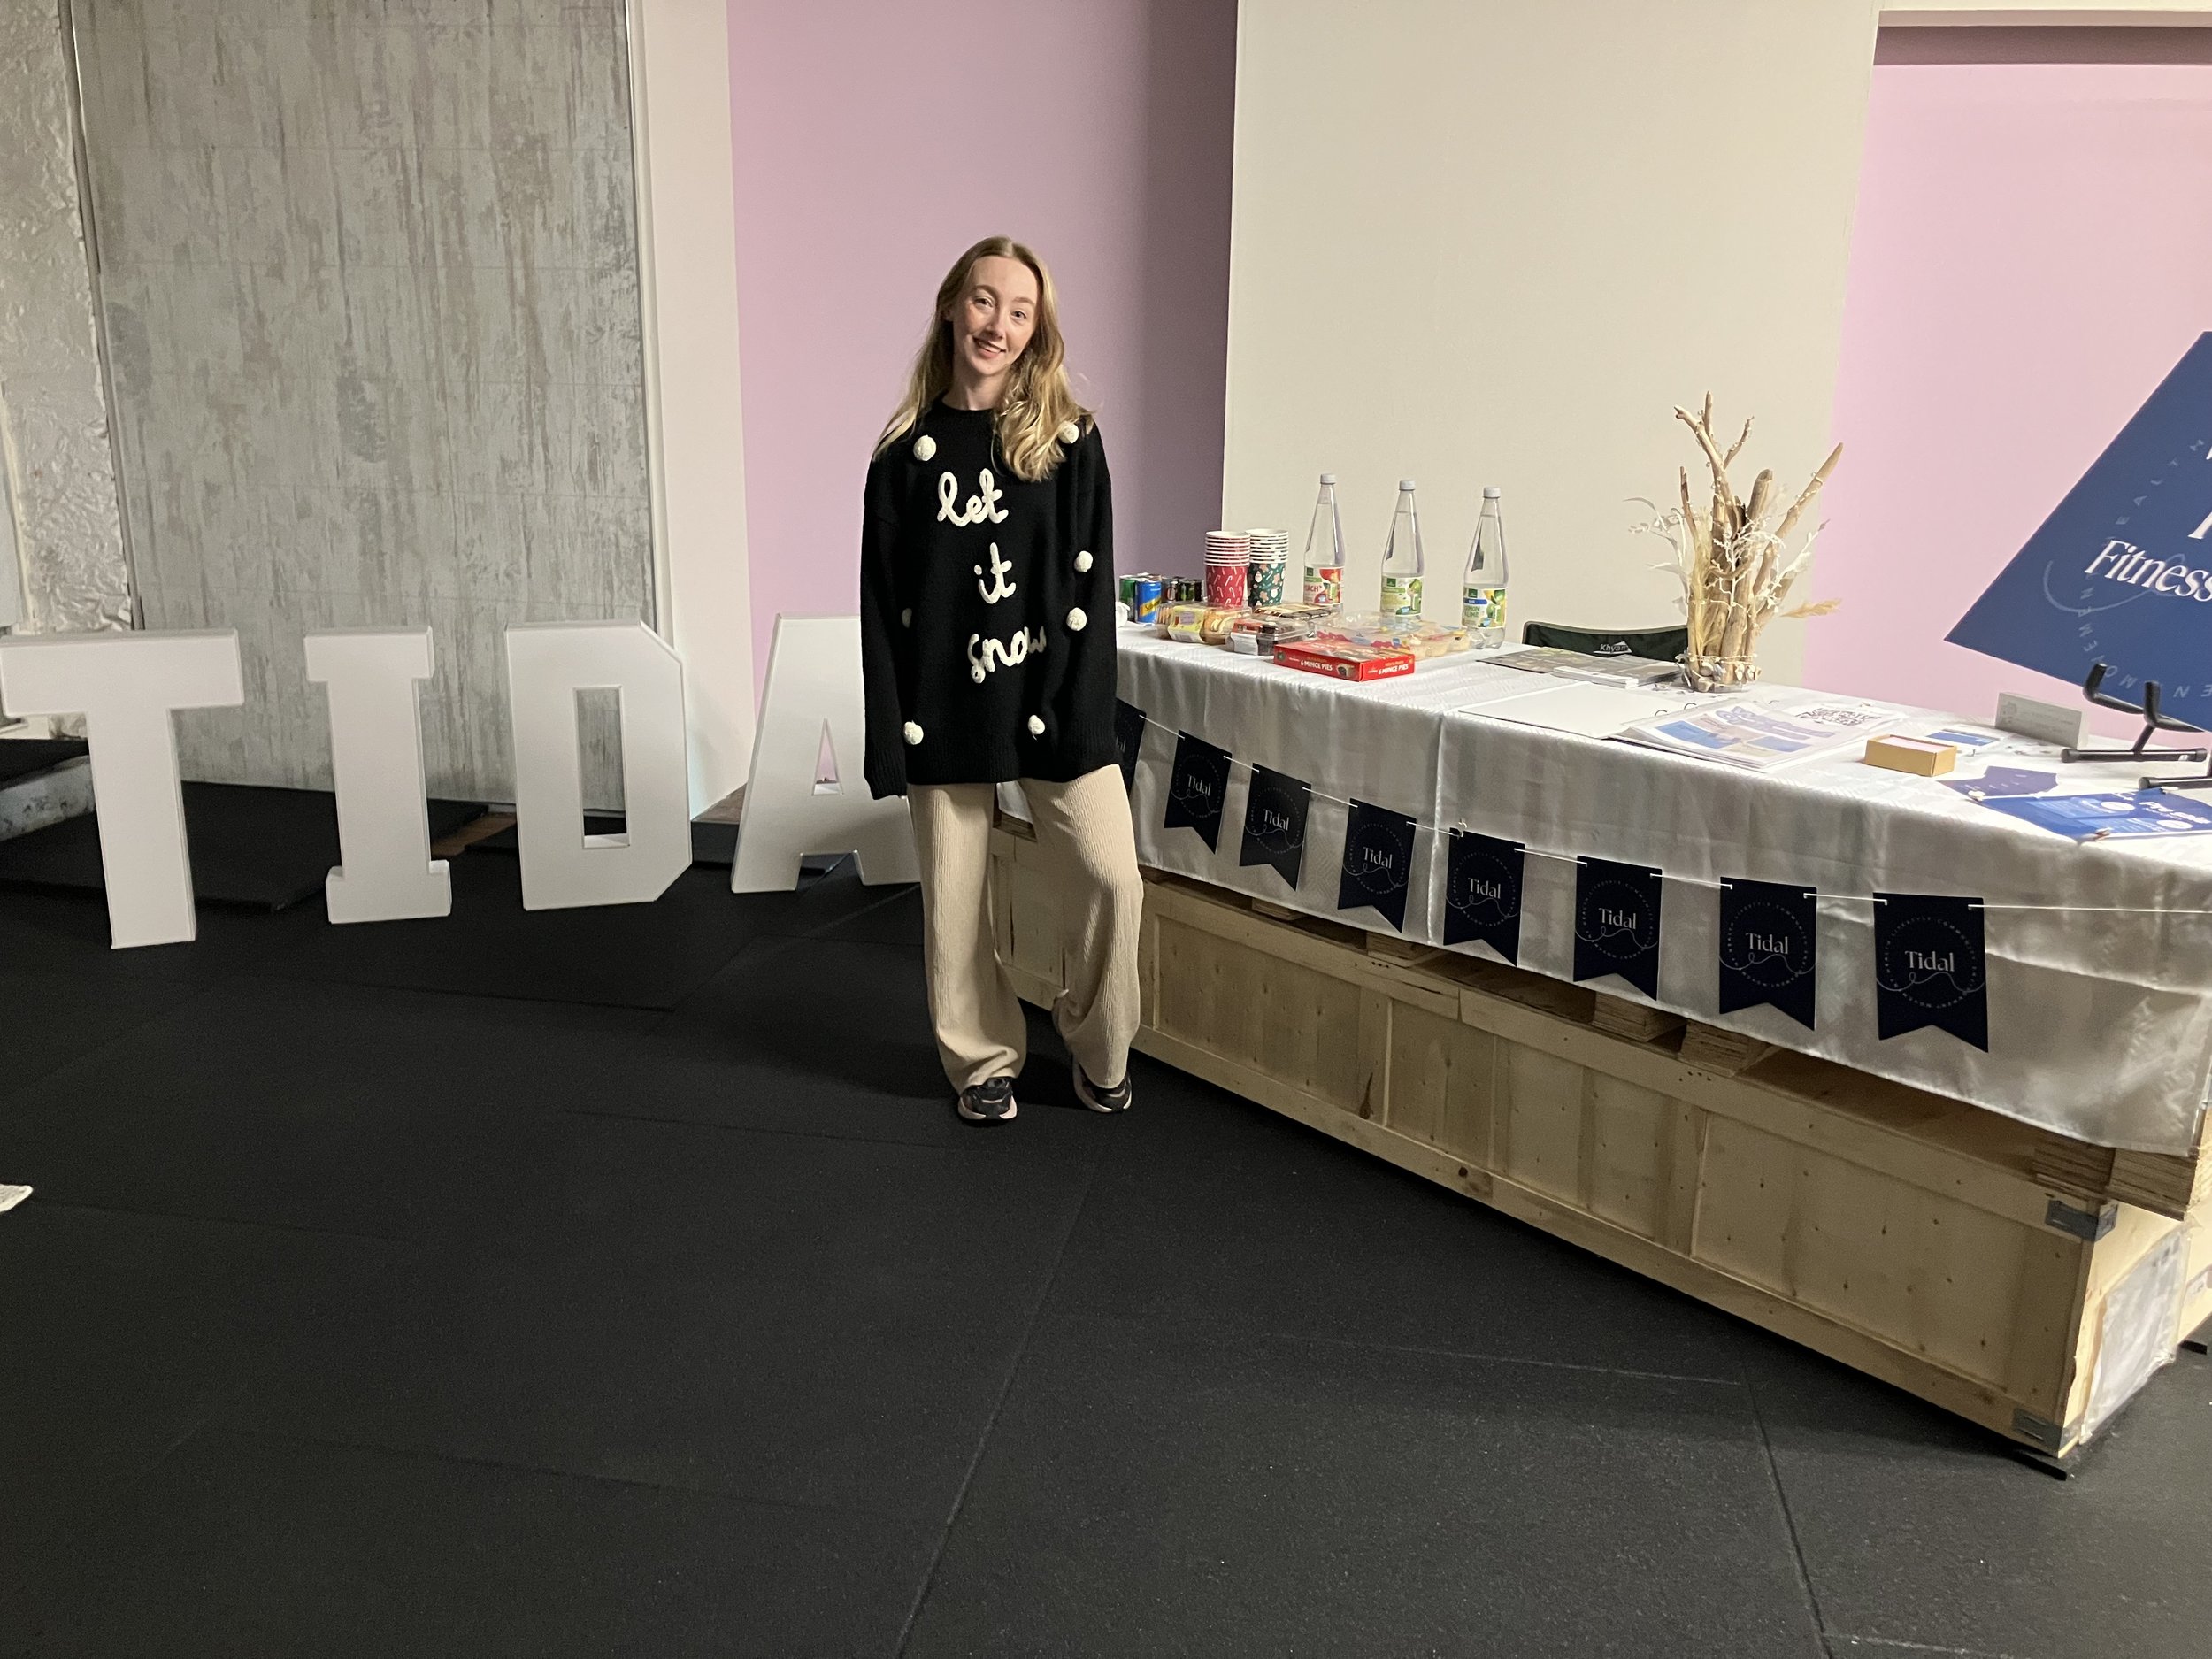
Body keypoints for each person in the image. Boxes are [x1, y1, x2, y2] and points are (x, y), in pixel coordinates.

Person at [858, 236, 1141, 1126]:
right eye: (985, 302)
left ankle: (1098, 1048)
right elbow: (881, 604)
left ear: (1036, 329)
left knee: (1109, 878)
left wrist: (1083, 709)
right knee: (952, 898)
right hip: (944, 706)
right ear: (951, 306)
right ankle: (980, 1056)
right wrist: (889, 730)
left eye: (1020, 311)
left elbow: (1092, 593)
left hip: (1051, 697)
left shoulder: (1068, 443)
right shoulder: (902, 455)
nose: (999, 325)